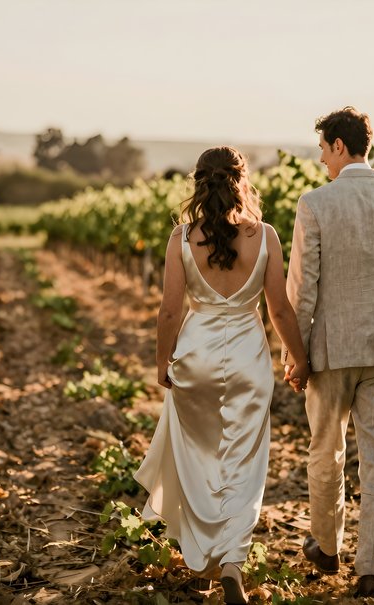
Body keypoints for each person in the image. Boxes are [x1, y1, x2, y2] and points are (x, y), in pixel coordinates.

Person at [134, 146, 310, 605]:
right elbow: (279, 309)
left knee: (199, 460)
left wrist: (162, 361)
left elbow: (169, 309)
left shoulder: (181, 237)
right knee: (244, 465)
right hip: (249, 360)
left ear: (198, 183)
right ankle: (232, 559)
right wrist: (300, 359)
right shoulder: (265, 235)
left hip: (196, 357)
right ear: (242, 181)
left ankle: (205, 561)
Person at [282, 106, 374, 598]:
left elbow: (302, 289)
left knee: (326, 450)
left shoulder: (315, 204)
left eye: (323, 150)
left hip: (331, 348)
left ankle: (327, 548)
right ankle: (371, 568)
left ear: (340, 146)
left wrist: (295, 355)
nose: (321, 160)